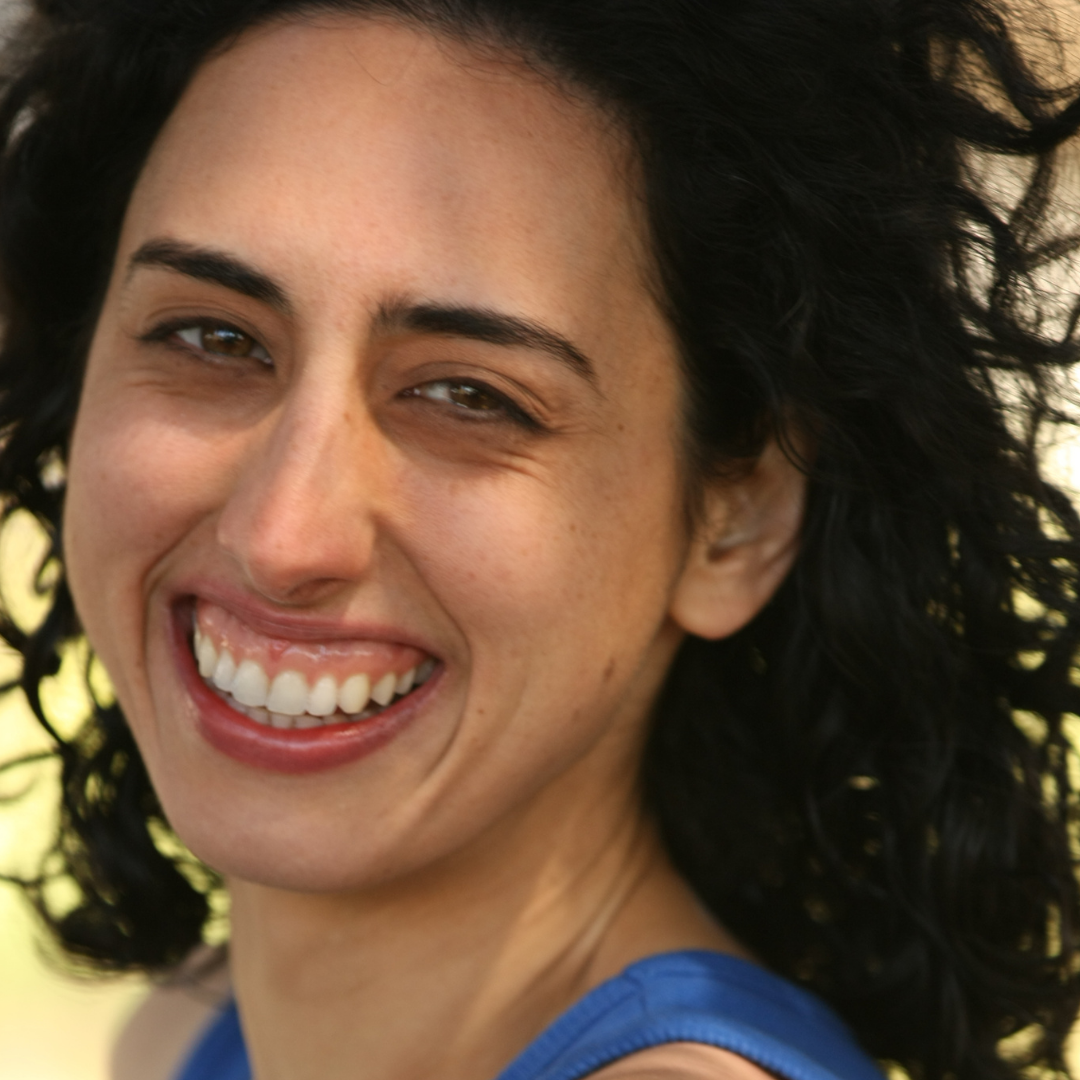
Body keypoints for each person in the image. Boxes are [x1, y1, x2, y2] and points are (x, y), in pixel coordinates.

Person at [1, 0, 1079, 1077]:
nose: (282, 537)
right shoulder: (187, 1039)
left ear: (734, 520)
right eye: (212, 337)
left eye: (469, 396)